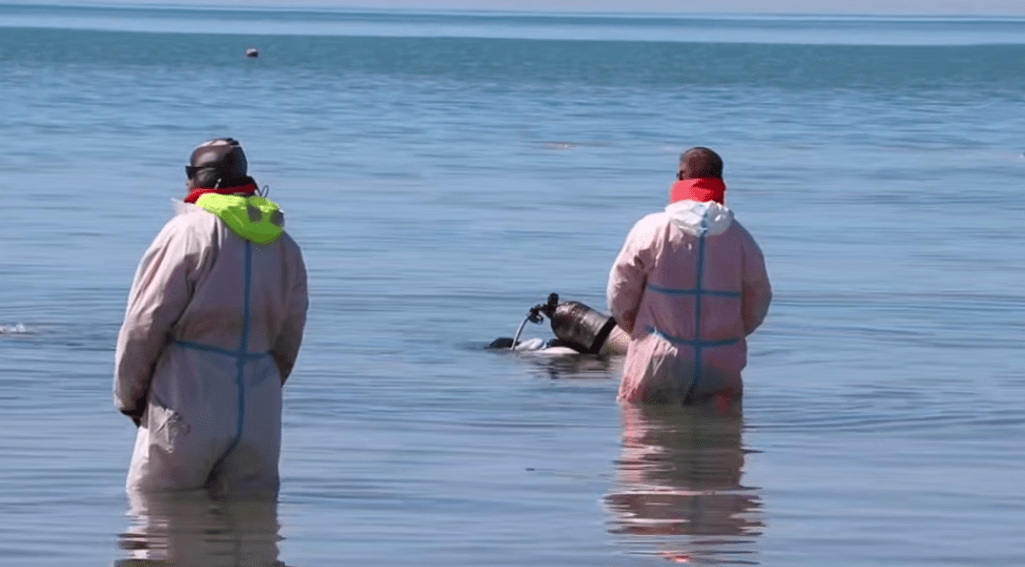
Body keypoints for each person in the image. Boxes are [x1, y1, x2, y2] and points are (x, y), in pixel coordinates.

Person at [114, 138, 308, 494]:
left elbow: (145, 323)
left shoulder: (188, 232)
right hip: (258, 408)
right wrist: (263, 387)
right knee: (251, 523)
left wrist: (130, 396)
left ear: (202, 179)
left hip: (187, 399)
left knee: (156, 517)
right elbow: (289, 338)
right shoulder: (284, 246)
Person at [607, 147, 771, 407]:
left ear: (681, 177)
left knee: (643, 429)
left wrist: (635, 329)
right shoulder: (741, 238)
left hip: (658, 358)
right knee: (721, 433)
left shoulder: (652, 229)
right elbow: (759, 300)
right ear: (721, 183)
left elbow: (620, 290)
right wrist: (730, 334)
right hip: (720, 363)